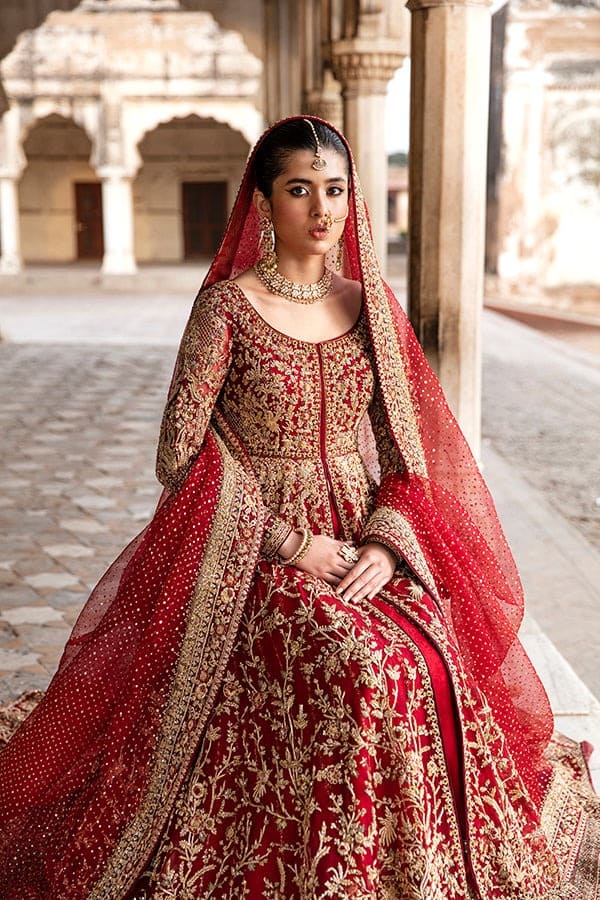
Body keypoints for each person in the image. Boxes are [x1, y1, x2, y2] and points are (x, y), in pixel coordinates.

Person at [0, 116, 597, 899]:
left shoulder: (371, 306)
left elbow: (409, 453)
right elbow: (179, 455)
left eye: (338, 189)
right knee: (360, 665)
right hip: (253, 548)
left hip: (363, 536)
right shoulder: (228, 310)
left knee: (430, 652)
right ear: (265, 202)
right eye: (300, 189)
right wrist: (289, 544)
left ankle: (410, 863)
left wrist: (385, 546)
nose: (323, 208)